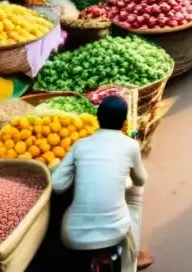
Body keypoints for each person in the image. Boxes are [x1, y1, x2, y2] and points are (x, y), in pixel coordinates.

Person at [52, 96, 153, 271]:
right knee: (137, 193)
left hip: (72, 234)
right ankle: (132, 260)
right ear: (123, 123)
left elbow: (58, 185)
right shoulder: (130, 145)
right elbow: (141, 179)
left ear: (97, 119)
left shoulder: (79, 145)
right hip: (116, 231)